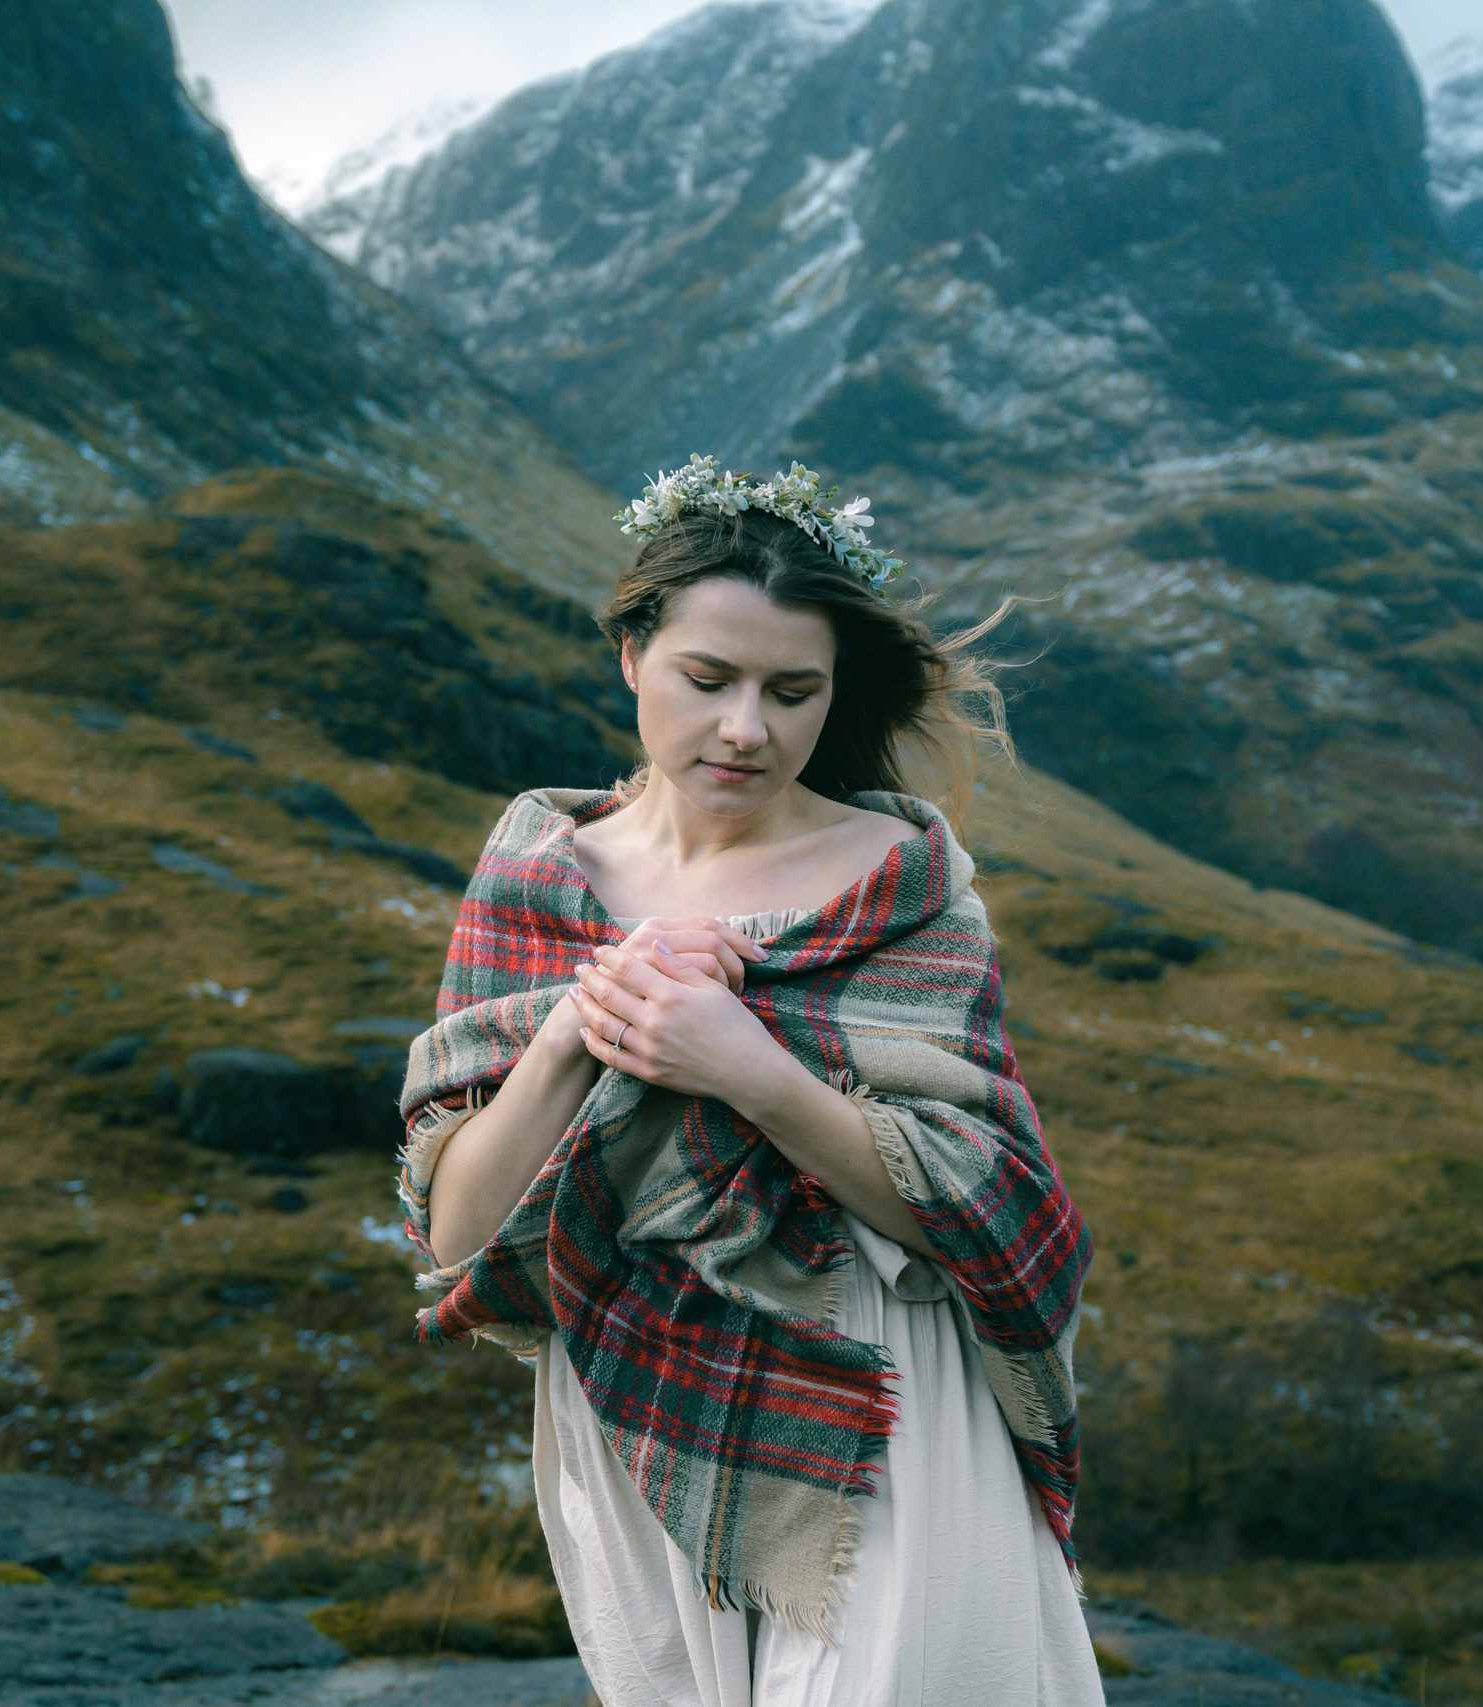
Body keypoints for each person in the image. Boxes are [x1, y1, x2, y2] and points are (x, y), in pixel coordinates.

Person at [398, 458, 1102, 1706]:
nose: (746, 730)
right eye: (707, 680)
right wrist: (581, 1027)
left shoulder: (904, 884)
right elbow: (456, 1237)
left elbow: (984, 1202)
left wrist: (744, 1066)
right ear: (631, 654)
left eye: (793, 692)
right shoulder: (534, 877)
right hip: (631, 1393)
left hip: (872, 1386)